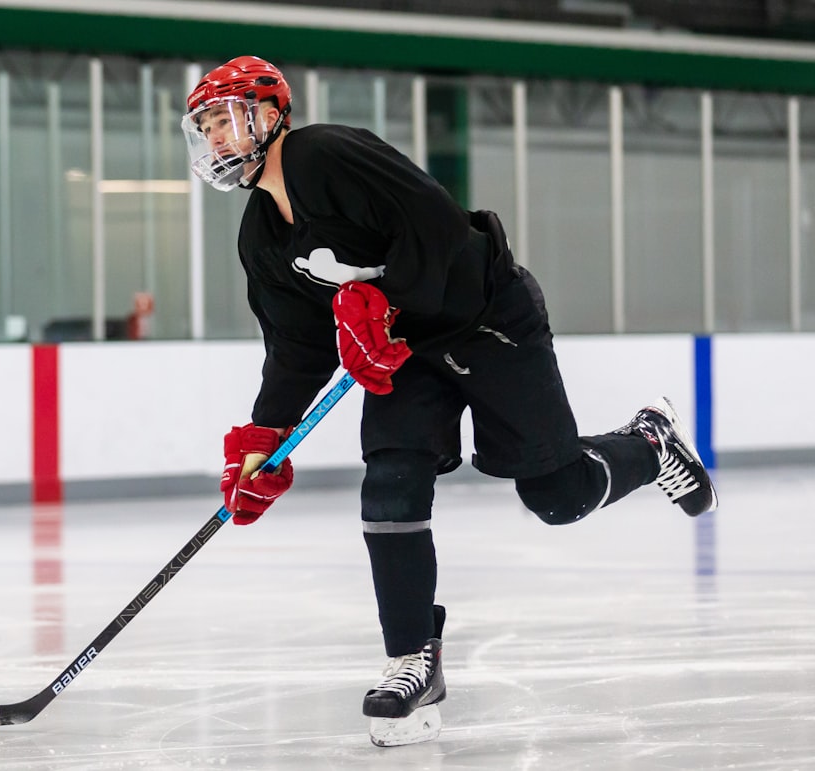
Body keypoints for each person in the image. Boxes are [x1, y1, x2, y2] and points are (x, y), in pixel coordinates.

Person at [181, 55, 718, 748]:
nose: (218, 138)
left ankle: (650, 442)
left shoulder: (323, 155)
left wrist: (386, 301)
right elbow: (296, 346)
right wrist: (264, 437)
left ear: (269, 114)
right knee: (392, 475)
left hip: (484, 319)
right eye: (208, 126)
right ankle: (413, 658)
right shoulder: (260, 236)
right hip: (407, 355)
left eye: (227, 119)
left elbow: (433, 222)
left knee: (558, 495)